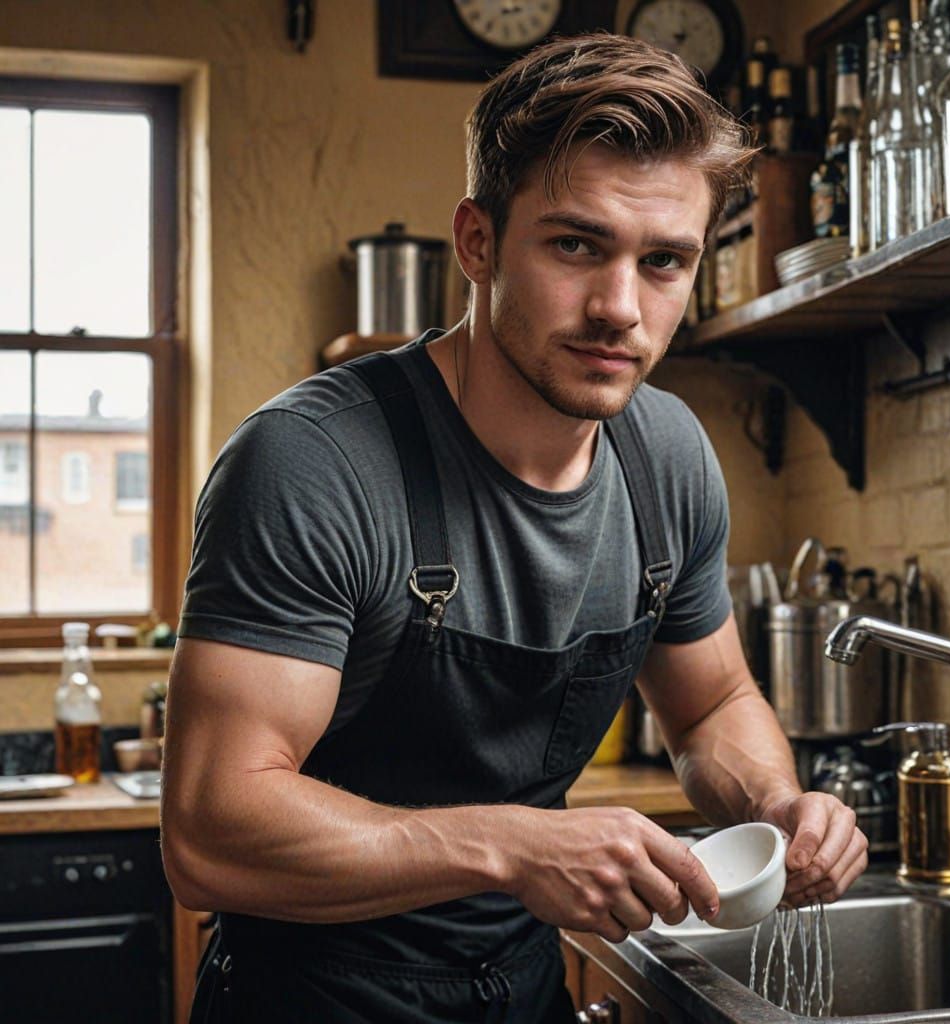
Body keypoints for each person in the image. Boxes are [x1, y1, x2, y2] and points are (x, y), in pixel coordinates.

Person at [162, 32, 868, 1024]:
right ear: (479, 241)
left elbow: (710, 708)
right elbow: (209, 831)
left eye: (663, 262)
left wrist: (775, 810)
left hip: (521, 994)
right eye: (576, 244)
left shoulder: (667, 456)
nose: (620, 307)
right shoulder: (310, 462)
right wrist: (513, 845)